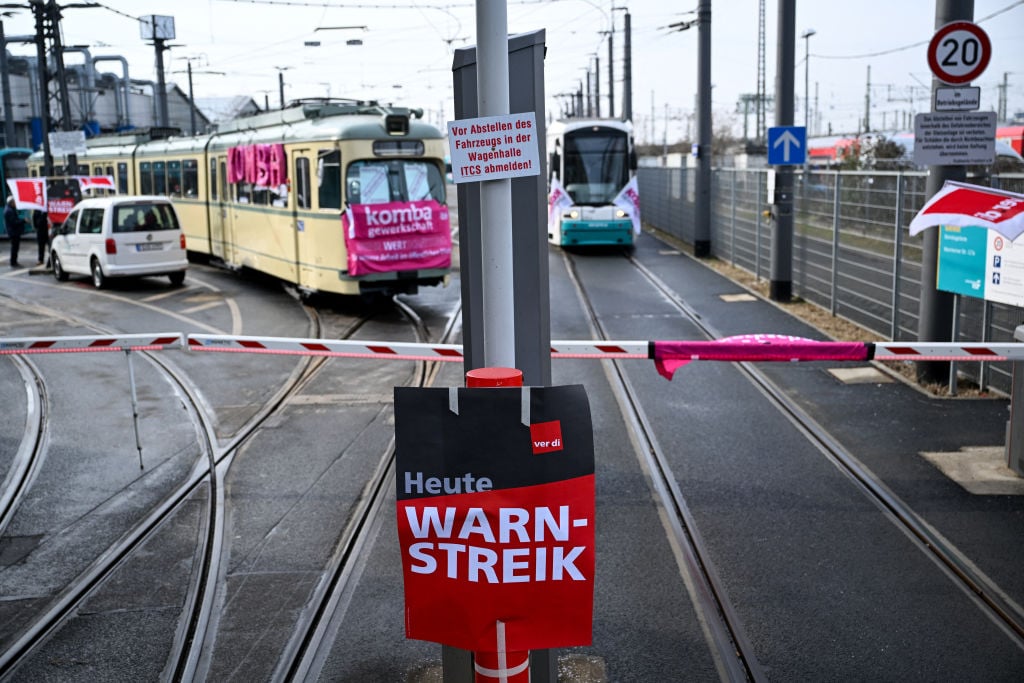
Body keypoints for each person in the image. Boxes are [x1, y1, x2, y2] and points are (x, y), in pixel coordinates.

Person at [4, 196, 25, 267]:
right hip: (13, 233)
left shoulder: (10, 209)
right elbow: (14, 222)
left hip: (14, 232)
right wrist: (23, 221)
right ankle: (13, 262)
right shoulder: (9, 211)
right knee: (14, 248)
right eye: (14, 202)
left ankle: (14, 261)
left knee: (15, 247)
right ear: (11, 203)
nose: (16, 203)